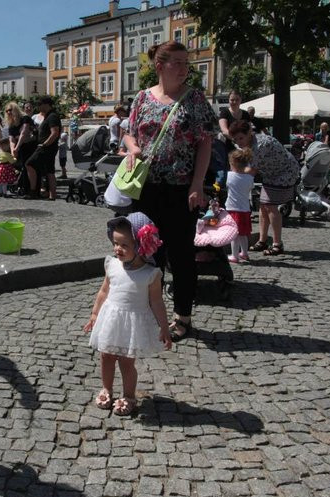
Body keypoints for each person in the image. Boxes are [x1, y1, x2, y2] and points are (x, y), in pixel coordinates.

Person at [122, 41, 216, 342]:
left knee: (181, 254)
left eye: (186, 62)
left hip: (180, 190)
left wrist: (196, 184)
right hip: (146, 188)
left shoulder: (195, 99)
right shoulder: (142, 98)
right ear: (160, 66)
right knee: (148, 252)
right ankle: (150, 312)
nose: (184, 68)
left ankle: (182, 317)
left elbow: (205, 143)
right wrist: (133, 148)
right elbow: (129, 132)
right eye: (177, 62)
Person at [84, 212, 171, 416]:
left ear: (141, 247)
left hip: (132, 323)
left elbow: (156, 302)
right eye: (115, 243)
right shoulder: (112, 265)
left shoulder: (150, 274)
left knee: (126, 361)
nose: (117, 249)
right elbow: (104, 291)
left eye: (124, 245)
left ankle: (129, 395)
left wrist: (164, 327)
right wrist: (95, 315)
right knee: (106, 356)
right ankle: (106, 388)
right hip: (111, 319)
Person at [229, 120, 299, 257]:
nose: (239, 142)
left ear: (249, 133)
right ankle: (262, 240)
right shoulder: (249, 143)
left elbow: (250, 170)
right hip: (271, 172)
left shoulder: (259, 145)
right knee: (262, 205)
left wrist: (231, 174)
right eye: (236, 139)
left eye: (241, 138)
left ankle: (278, 244)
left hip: (284, 172)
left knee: (270, 206)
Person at [24, 97, 61, 200]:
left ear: (46, 104)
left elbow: (55, 133)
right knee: (50, 171)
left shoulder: (52, 116)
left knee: (29, 164)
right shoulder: (49, 116)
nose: (38, 107)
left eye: (40, 104)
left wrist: (44, 144)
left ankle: (33, 191)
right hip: (49, 147)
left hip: (46, 148)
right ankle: (52, 195)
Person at [225, 148, 255, 263]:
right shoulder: (250, 178)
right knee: (243, 234)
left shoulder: (230, 176)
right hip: (245, 209)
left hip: (233, 208)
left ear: (233, 164)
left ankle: (234, 255)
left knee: (234, 234)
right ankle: (245, 253)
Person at [6, 101, 37, 195]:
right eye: (7, 111)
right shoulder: (11, 124)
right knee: (23, 167)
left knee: (29, 166)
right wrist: (13, 151)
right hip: (22, 147)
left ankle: (32, 189)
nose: (8, 112)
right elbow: (11, 139)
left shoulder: (25, 118)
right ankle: (24, 187)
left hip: (31, 145)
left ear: (15, 110)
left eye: (10, 110)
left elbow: (23, 133)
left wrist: (17, 148)